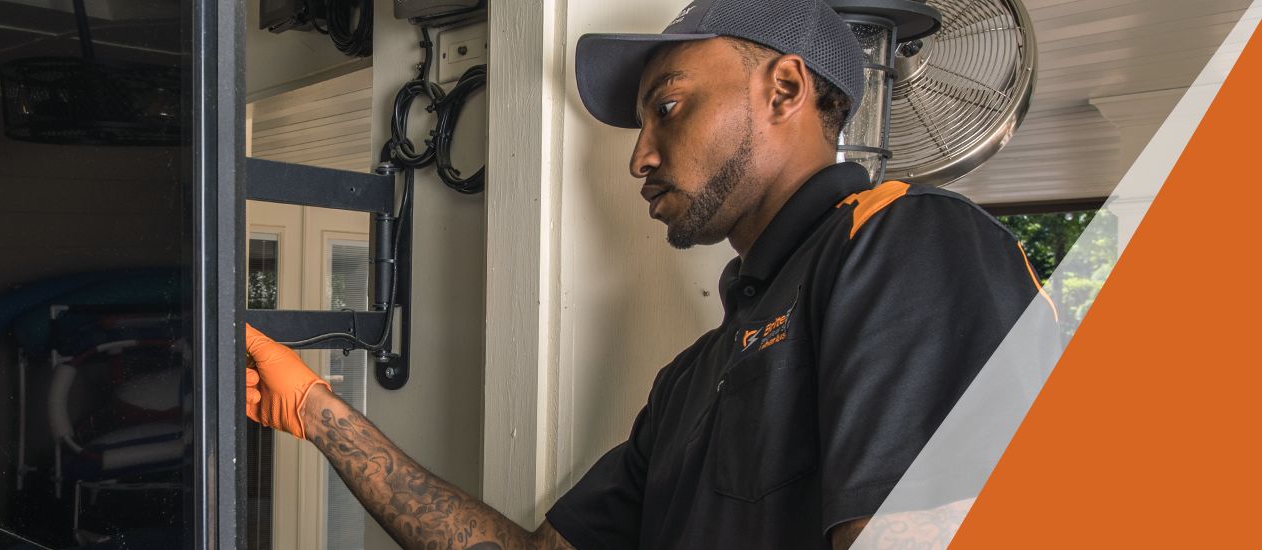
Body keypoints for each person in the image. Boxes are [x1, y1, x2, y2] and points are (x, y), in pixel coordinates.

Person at [244, 0, 1055, 547]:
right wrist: (319, 413)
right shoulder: (697, 378)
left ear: (785, 88)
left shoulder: (906, 243)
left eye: (667, 107)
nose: (640, 155)